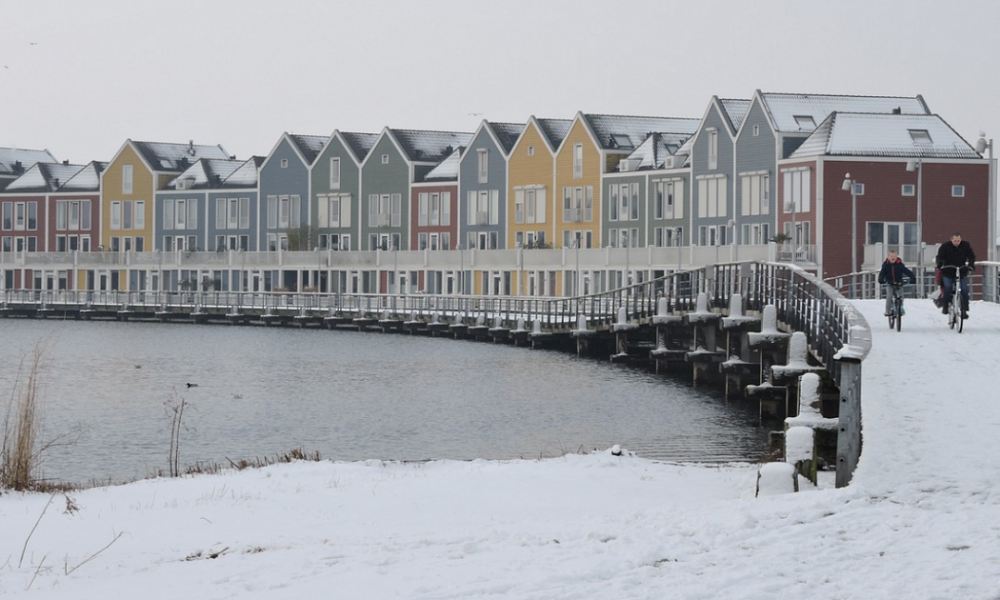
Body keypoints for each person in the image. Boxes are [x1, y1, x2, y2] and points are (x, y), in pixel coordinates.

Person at [935, 233, 976, 319]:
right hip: (948, 270)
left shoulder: (965, 245)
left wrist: (971, 265)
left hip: (961, 270)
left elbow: (971, 256)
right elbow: (940, 256)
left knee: (964, 289)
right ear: (951, 240)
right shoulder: (945, 246)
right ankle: (945, 305)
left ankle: (964, 310)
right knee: (948, 287)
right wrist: (940, 264)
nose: (957, 242)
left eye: (958, 241)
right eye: (955, 241)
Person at [877, 250, 915, 316]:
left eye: (894, 256)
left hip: (898, 282)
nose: (893, 257)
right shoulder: (886, 265)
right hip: (889, 282)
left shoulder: (899, 264)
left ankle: (900, 307)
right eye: (891, 256)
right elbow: (882, 272)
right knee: (889, 296)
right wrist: (881, 279)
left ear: (897, 257)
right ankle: (888, 311)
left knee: (901, 296)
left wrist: (912, 277)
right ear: (888, 257)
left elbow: (906, 271)